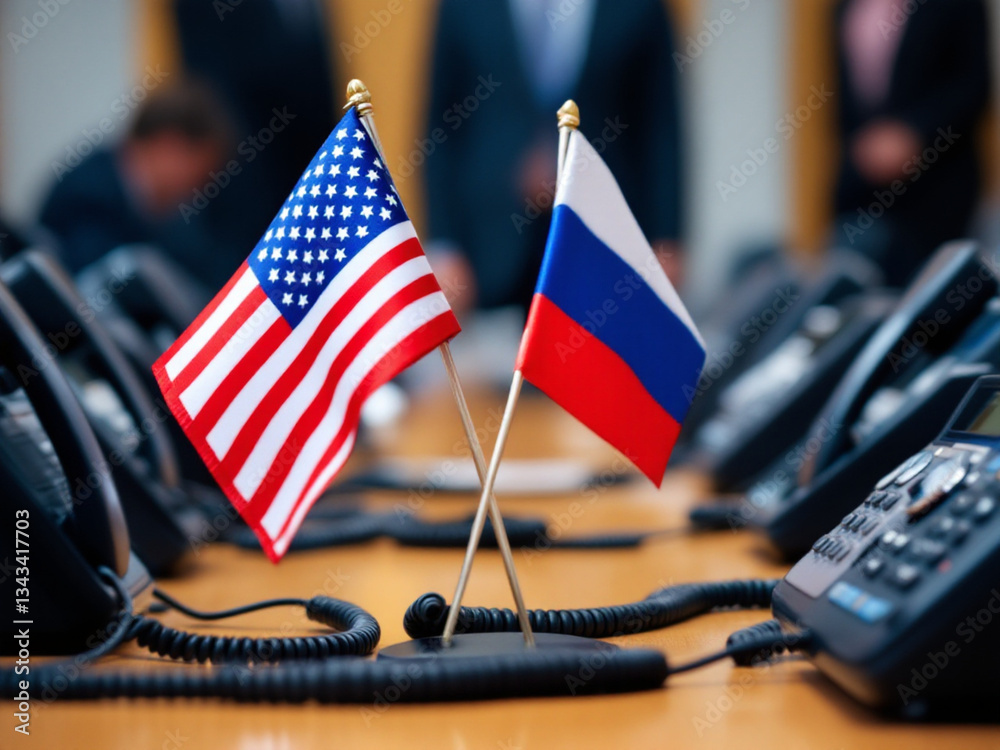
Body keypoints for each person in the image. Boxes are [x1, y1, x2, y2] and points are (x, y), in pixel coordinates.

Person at [423, 0, 684, 314]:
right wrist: (445, 245)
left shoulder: (640, 7)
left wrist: (667, 237)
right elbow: (440, 130)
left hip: (606, 242)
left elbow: (661, 127)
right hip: (488, 249)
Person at [831, 0, 991, 287]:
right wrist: (863, 147)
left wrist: (914, 133)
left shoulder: (958, 5)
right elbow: (840, 95)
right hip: (863, 181)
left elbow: (973, 85)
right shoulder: (844, 6)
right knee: (855, 287)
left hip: (936, 180)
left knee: (930, 291)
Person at [37, 82, 234, 285]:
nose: (199, 191)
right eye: (202, 178)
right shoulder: (87, 196)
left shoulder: (172, 217)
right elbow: (96, 286)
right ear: (170, 145)